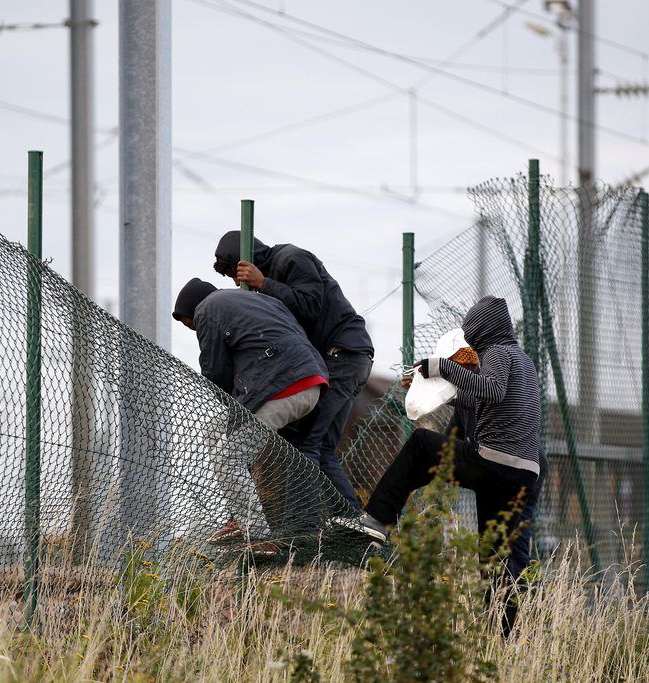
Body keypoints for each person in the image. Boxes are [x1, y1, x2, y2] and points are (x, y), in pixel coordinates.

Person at [339, 295, 545, 635]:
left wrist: (441, 367)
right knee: (495, 556)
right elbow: (482, 398)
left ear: (482, 329)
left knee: (421, 444)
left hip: (496, 462)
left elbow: (490, 391)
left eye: (471, 331)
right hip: (522, 473)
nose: (470, 339)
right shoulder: (521, 359)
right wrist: (428, 386)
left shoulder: (496, 353)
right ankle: (503, 636)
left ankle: (377, 518)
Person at [213, 232, 372, 513]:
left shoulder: (291, 258)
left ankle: (305, 524)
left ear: (245, 261)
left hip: (342, 356)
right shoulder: (274, 275)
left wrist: (264, 283)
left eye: (235, 274)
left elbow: (311, 305)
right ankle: (349, 519)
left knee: (305, 441)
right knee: (322, 447)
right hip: (347, 357)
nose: (238, 283)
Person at [173, 277, 329, 554]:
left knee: (228, 457)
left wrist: (231, 403)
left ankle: (257, 534)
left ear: (192, 310)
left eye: (190, 324)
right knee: (214, 429)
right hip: (308, 382)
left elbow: (215, 372)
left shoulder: (208, 308)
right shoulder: (257, 300)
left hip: (285, 388)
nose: (193, 328)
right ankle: (239, 516)